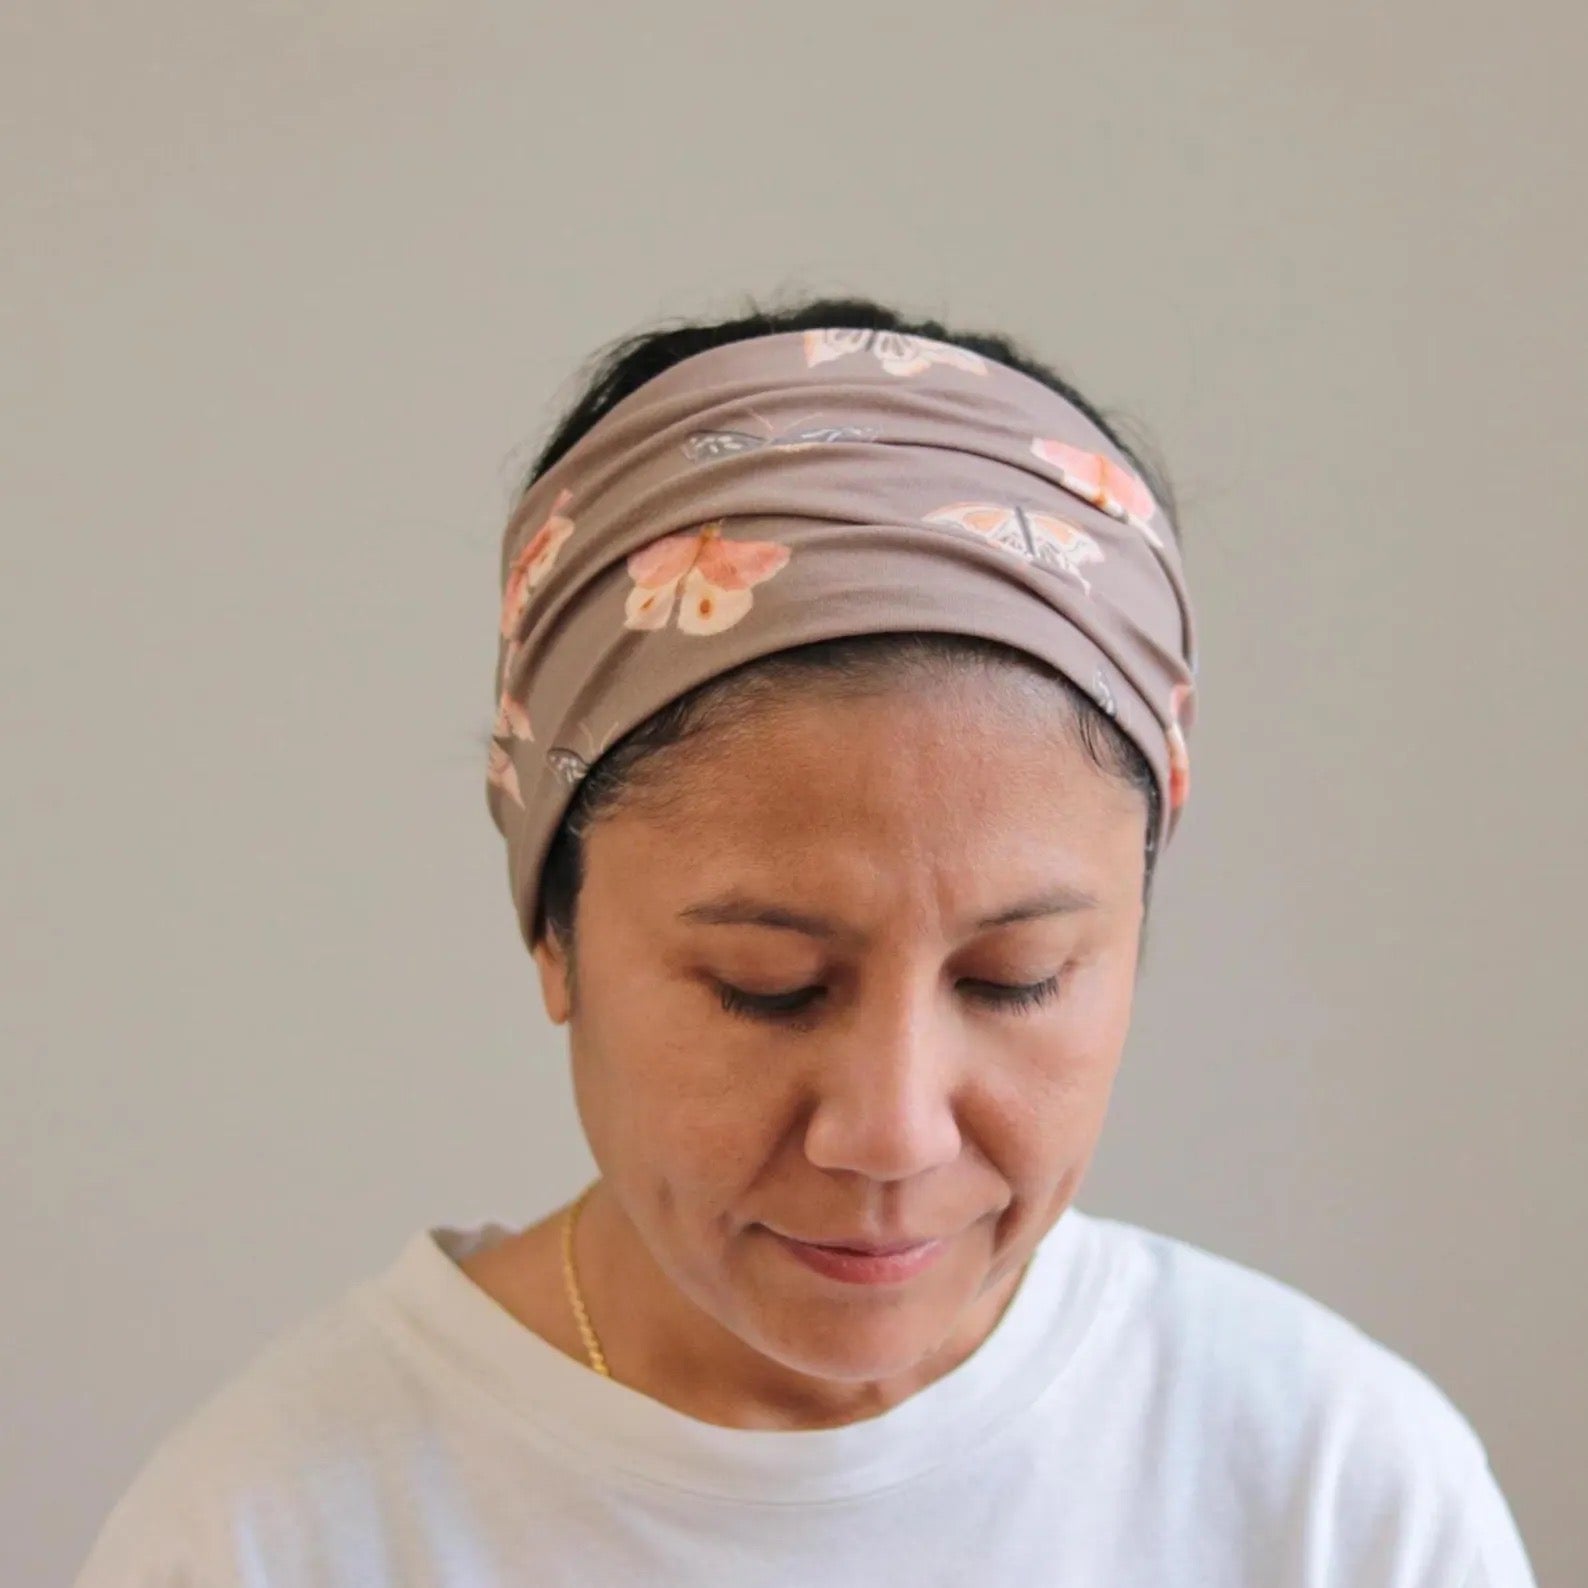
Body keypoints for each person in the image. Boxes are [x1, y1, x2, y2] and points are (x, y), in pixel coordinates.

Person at [73, 295, 1537, 1585]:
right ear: (556, 939)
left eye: (1015, 979)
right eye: (768, 988)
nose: (892, 1134)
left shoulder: (1331, 1494)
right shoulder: (278, 1534)